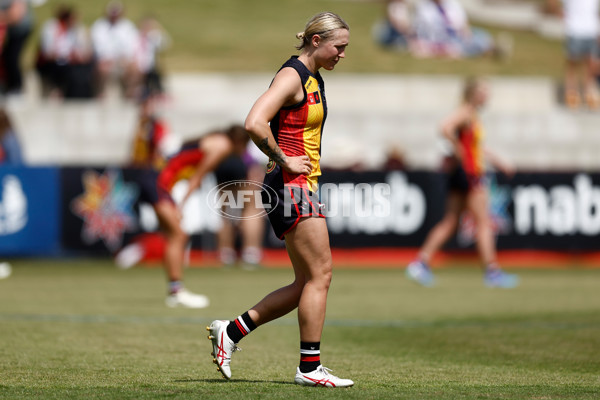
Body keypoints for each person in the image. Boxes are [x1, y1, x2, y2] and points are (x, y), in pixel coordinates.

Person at [206, 12, 354, 388]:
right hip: (291, 185)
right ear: (317, 41)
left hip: (296, 183)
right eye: (339, 47)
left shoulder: (312, 77)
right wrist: (286, 158)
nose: (342, 54)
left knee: (306, 280)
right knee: (320, 275)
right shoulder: (293, 76)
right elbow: (254, 121)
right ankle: (309, 368)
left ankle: (232, 332)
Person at [406, 77, 519, 289]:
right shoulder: (466, 112)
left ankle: (420, 263)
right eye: (484, 91)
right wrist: (459, 151)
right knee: (483, 222)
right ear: (474, 93)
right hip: (470, 173)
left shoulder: (472, 115)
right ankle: (492, 272)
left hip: (463, 172)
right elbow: (445, 127)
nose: (487, 95)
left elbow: (477, 147)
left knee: (451, 222)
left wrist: (498, 161)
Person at [214, 144, 266, 269]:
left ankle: (226, 254)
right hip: (245, 165)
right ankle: (250, 253)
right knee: (251, 209)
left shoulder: (225, 146)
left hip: (225, 165)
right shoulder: (247, 149)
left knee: (226, 211)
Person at [411, 0, 507, 59]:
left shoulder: (452, 4)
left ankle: (491, 48)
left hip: (458, 34)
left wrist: (466, 32)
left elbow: (463, 21)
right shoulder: (424, 7)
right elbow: (420, 28)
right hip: (442, 38)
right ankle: (491, 50)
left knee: (481, 34)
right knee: (469, 45)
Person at [36, 5, 95, 99]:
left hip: (70, 63)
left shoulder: (76, 30)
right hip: (52, 64)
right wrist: (66, 56)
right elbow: (48, 53)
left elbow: (83, 50)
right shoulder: (51, 28)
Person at [555, 0, 600, 109]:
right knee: (572, 63)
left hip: (592, 28)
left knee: (591, 63)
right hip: (574, 28)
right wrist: (561, 15)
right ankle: (571, 92)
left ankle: (588, 92)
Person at [90, 1, 140, 99]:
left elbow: (132, 45)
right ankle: (101, 94)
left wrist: (125, 58)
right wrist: (107, 58)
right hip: (105, 59)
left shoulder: (128, 26)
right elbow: (98, 46)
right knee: (102, 68)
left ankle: (129, 93)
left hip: (122, 60)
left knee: (135, 68)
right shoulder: (99, 26)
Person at [0, 0, 33, 95]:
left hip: (19, 29)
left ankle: (16, 88)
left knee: (12, 58)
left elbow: (16, 15)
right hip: (8, 30)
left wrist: (3, 15)